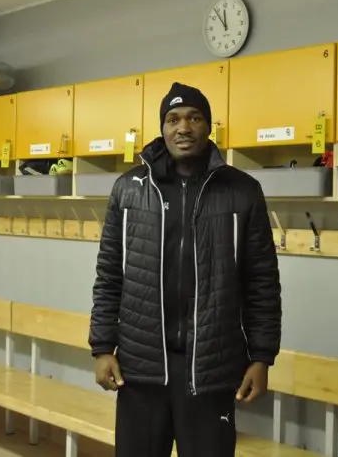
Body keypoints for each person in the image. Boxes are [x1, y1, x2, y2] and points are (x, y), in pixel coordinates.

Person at [89, 82, 282, 457]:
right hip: (140, 368)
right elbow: (109, 276)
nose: (184, 127)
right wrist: (101, 348)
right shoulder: (128, 190)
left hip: (211, 369)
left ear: (208, 127)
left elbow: (262, 283)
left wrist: (262, 357)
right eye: (173, 119)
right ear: (162, 128)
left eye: (194, 118)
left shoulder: (242, 191)